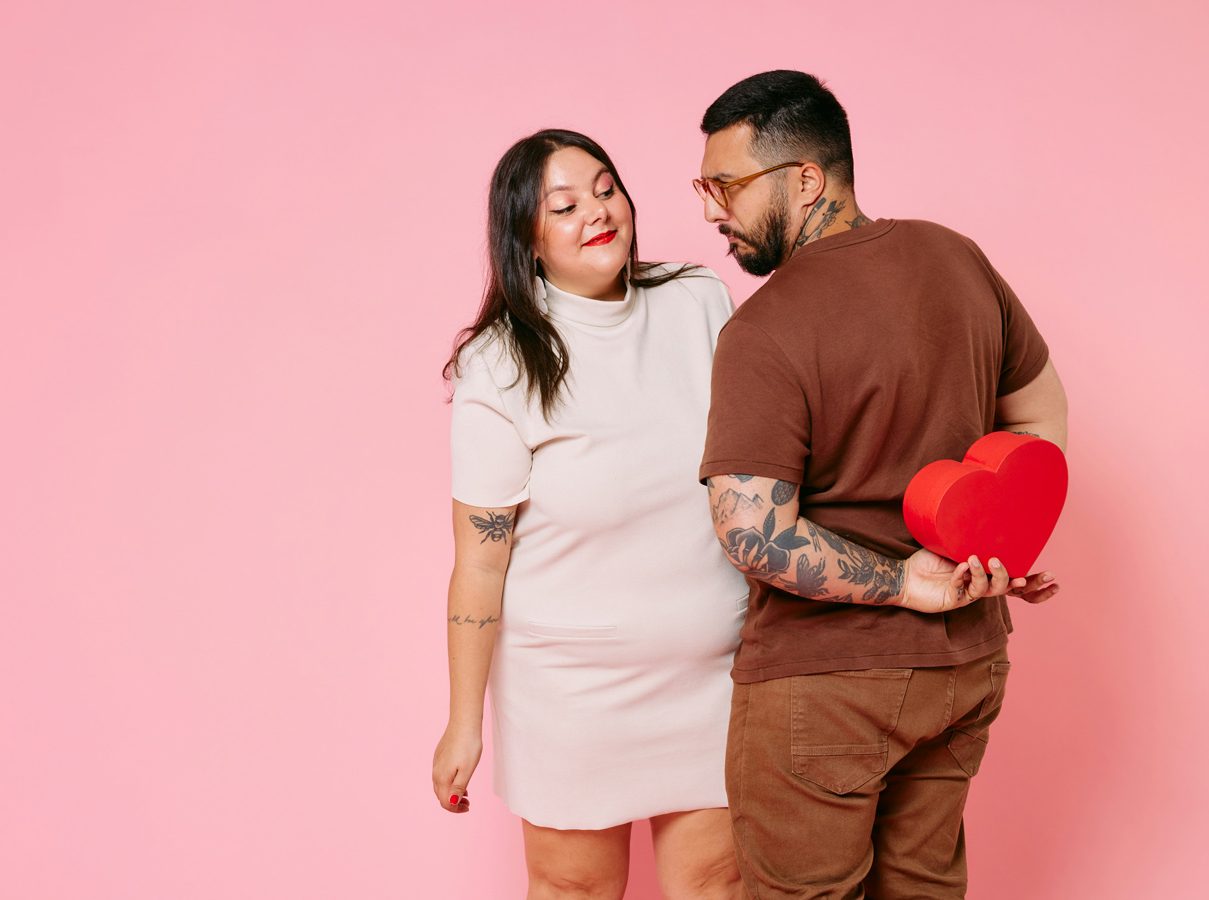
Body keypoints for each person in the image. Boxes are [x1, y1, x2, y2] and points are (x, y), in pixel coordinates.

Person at [693, 71, 1069, 899]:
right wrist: (1002, 545)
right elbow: (1040, 414)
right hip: (967, 665)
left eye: (727, 186)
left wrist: (904, 582)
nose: (713, 210)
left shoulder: (764, 330)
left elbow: (752, 533)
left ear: (804, 179)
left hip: (823, 689)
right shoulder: (956, 258)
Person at [431, 129, 749, 900]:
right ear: (527, 243)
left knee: (717, 883)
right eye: (564, 206)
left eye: (606, 189)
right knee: (575, 892)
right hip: (571, 696)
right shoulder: (501, 364)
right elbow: (480, 560)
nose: (596, 213)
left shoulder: (697, 297)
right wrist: (463, 721)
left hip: (712, 679)